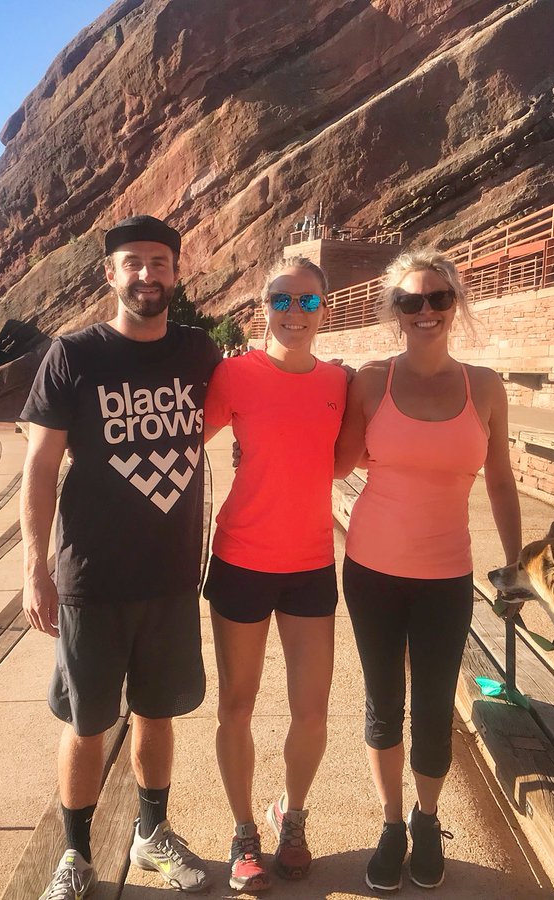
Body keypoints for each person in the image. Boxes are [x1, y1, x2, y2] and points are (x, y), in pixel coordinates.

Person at [20, 215, 221, 900]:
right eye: (133, 263)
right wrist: (34, 567)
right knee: (87, 723)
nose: (147, 275)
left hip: (169, 578)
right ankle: (74, 854)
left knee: (157, 714)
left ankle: (150, 834)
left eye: (159, 263)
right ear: (111, 274)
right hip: (90, 578)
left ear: (176, 272)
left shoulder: (199, 353)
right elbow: (40, 467)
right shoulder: (74, 355)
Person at [333, 250, 522, 892]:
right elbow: (336, 463)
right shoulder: (370, 381)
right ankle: (390, 824)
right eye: (411, 302)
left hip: (447, 573)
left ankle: (426, 818)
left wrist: (516, 562)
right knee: (384, 701)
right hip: (372, 569)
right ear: (394, 312)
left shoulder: (486, 386)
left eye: (438, 299)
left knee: (435, 703)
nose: (426, 312)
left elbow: (499, 481)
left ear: (455, 304)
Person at [202, 257, 347, 892]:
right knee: (237, 706)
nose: (295, 313)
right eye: (282, 300)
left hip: (312, 562)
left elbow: (342, 462)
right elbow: (178, 444)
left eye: (309, 302)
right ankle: (242, 832)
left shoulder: (341, 382)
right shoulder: (233, 376)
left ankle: (293, 817)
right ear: (262, 309)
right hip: (239, 558)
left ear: (326, 310)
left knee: (312, 712)